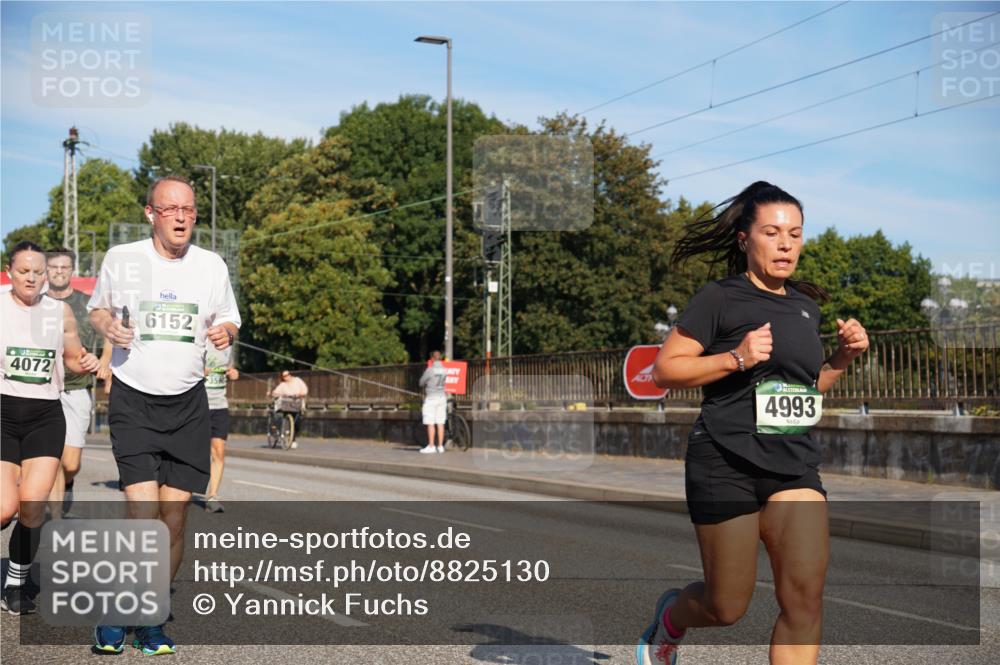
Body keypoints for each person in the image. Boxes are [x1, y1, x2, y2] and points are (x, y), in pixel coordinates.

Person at [636, 181, 869, 665]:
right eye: (772, 232)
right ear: (745, 239)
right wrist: (736, 358)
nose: (786, 245)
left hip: (793, 465)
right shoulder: (720, 298)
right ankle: (672, 620)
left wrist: (842, 358)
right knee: (725, 606)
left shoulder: (805, 306)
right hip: (725, 460)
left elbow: (807, 389)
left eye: (795, 234)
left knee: (804, 598)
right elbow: (665, 370)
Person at [88, 175, 240, 654]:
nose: (181, 217)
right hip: (134, 400)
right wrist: (109, 326)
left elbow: (229, 317)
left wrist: (227, 332)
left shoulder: (211, 265)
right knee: (142, 517)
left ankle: (151, 620)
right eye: (171, 209)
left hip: (189, 404)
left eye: (189, 210)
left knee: (173, 522)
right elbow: (97, 309)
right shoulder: (123, 258)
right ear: (150, 214)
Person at [1, 241, 99, 614]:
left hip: (44, 415)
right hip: (2, 413)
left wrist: (85, 361)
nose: (31, 278)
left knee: (32, 507)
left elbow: (72, 359)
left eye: (38, 272)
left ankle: (16, 584)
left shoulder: (59, 312)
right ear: (10, 272)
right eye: (24, 271)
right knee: (4, 508)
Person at [44, 247, 113, 518]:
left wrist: (104, 362)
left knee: (71, 463)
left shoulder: (86, 304)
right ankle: (55, 518)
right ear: (46, 270)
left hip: (77, 387)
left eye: (64, 267)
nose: (59, 272)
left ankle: (68, 482)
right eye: (53, 267)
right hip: (44, 389)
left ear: (72, 270)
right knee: (53, 456)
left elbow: (109, 332)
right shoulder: (36, 303)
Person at [204, 347, 238, 513]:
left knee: (219, 451)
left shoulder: (228, 347)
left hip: (219, 406)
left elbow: (231, 368)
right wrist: (199, 371)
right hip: (197, 405)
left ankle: (212, 497)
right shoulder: (198, 339)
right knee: (190, 451)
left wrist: (233, 373)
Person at [418, 350, 448, 454]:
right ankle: (440, 446)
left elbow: (421, 382)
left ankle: (431, 446)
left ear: (432, 359)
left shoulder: (430, 370)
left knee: (430, 422)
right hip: (442, 397)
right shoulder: (445, 370)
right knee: (440, 422)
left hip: (431, 398)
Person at [270, 370, 308, 448]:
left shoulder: (297, 380)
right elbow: (275, 392)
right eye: (284, 376)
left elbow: (304, 390)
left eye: (288, 374)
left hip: (297, 404)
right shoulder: (282, 385)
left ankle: (292, 436)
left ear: (290, 374)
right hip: (286, 405)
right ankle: (289, 438)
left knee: (297, 423)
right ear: (283, 377)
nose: (287, 377)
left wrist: (299, 394)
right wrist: (274, 393)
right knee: (282, 419)